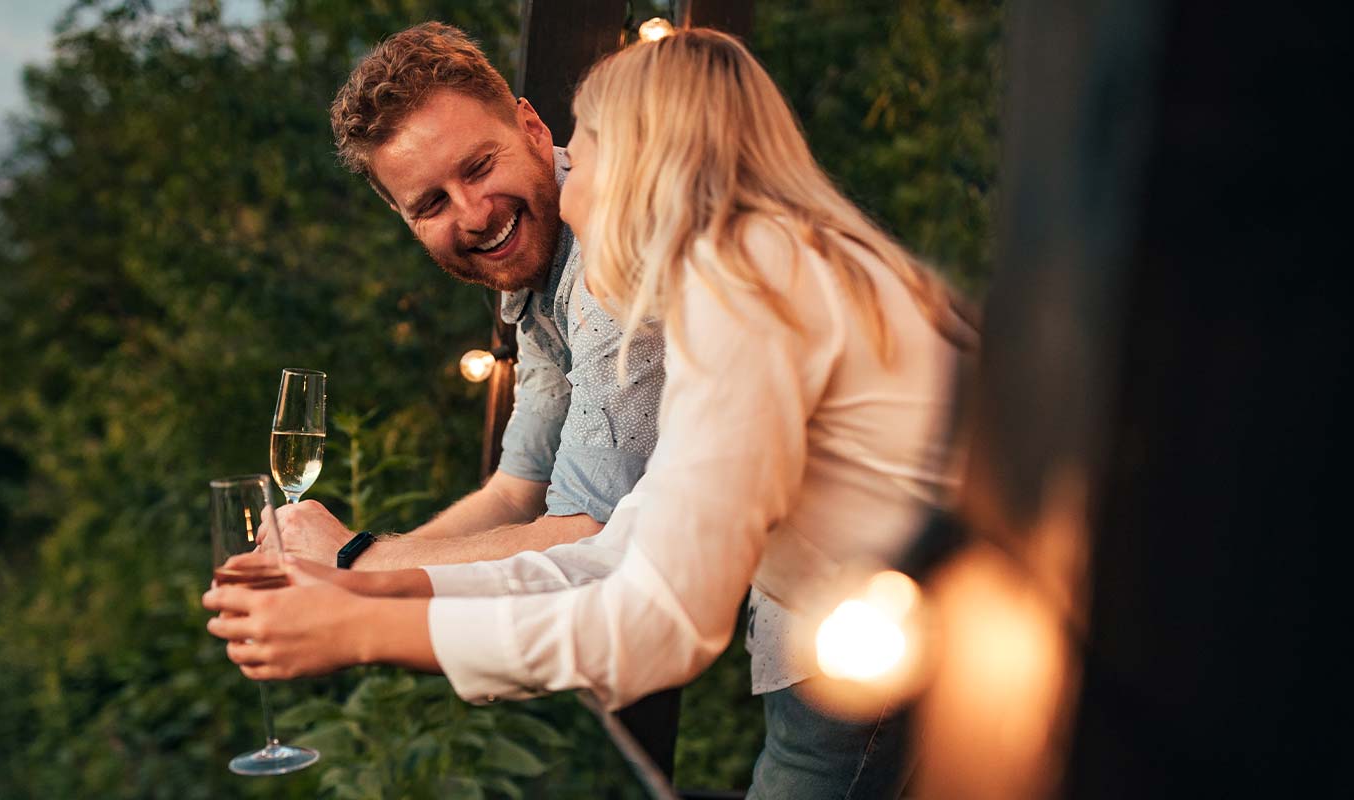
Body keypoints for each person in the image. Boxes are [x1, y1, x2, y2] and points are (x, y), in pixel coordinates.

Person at [206, 29, 973, 798]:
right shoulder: (748, 271)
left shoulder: (742, 289)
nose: (567, 181)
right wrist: (362, 588)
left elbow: (659, 623)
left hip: (944, 652)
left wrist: (362, 622)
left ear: (643, 164)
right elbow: (619, 551)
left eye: (584, 144)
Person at [277, 22, 668, 571]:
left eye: (480, 167)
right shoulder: (540, 276)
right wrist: (349, 570)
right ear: (405, 218)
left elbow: (588, 537)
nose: (475, 215)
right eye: (432, 204)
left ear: (531, 127)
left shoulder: (611, 247)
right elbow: (513, 496)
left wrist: (355, 562)